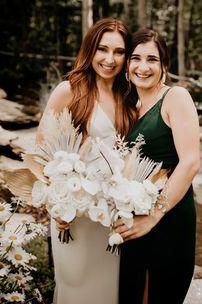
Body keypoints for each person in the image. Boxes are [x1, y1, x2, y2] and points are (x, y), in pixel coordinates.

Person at [36, 18, 136, 304]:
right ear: (90, 49)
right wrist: (56, 205)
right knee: (76, 285)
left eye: (118, 52)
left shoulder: (128, 97)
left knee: (108, 289)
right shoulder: (68, 91)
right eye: (102, 49)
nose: (109, 59)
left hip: (112, 216)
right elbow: (41, 152)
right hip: (74, 213)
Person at [114, 29, 200, 304]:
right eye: (135, 58)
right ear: (127, 64)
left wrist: (154, 214)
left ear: (164, 65)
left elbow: (190, 162)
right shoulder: (128, 104)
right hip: (132, 219)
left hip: (168, 217)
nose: (142, 66)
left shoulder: (175, 97)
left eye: (152, 59)